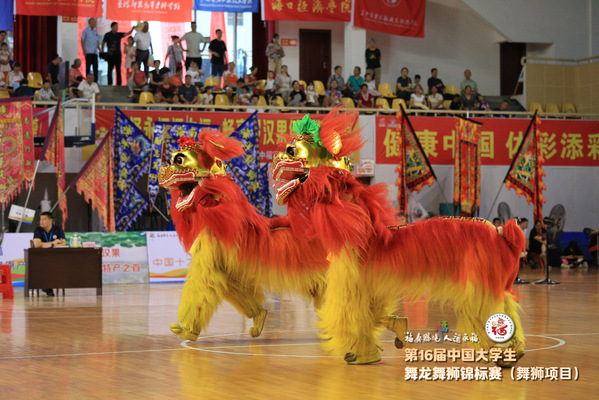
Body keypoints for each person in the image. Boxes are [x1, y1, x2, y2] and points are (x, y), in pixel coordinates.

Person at [33, 212, 66, 296]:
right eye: (40, 219)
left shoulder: (58, 229)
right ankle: (47, 287)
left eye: (44, 219)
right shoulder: (38, 230)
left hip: (55, 256)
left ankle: (48, 286)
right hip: (40, 257)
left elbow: (63, 243)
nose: (41, 222)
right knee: (45, 264)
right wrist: (53, 242)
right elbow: (36, 244)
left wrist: (49, 245)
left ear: (50, 220)